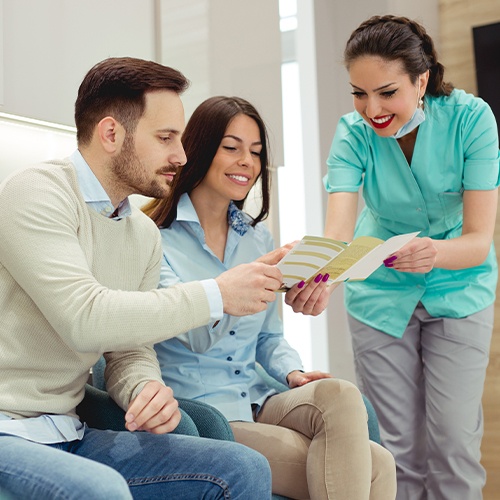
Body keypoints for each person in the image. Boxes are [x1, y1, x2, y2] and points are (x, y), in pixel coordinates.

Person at [0, 57, 284, 499]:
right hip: (6, 432)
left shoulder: (142, 234)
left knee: (242, 468)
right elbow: (85, 318)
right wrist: (217, 294)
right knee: (102, 490)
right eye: (166, 137)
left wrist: (143, 389)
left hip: (69, 431)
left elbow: (128, 349)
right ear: (111, 134)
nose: (182, 156)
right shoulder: (36, 193)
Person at [143, 95, 397, 500]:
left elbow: (268, 338)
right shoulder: (152, 238)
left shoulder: (256, 236)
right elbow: (193, 334)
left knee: (341, 395)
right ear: (199, 149)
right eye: (231, 147)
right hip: (207, 413)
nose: (247, 160)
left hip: (260, 399)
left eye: (256, 152)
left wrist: (293, 374)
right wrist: (245, 280)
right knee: (376, 466)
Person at [323, 15, 500, 500]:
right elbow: (338, 231)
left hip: (459, 287)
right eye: (359, 94)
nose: (371, 109)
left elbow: (479, 240)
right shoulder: (352, 134)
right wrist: (318, 275)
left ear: (421, 80)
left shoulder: (471, 119)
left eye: (386, 92)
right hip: (379, 294)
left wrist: (433, 252)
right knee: (396, 450)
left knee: (455, 445)